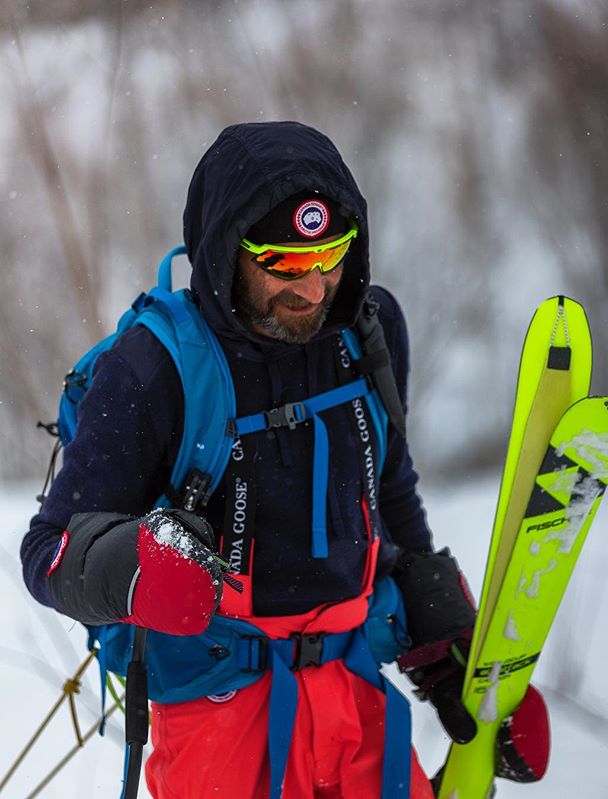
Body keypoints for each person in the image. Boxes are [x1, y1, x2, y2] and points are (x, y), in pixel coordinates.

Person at [20, 121, 547, 799]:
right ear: (223, 251)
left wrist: (447, 658)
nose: (313, 287)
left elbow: (389, 495)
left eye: (331, 255)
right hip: (219, 715)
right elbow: (49, 550)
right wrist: (140, 564)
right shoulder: (156, 369)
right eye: (285, 263)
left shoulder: (369, 334)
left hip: (355, 694)